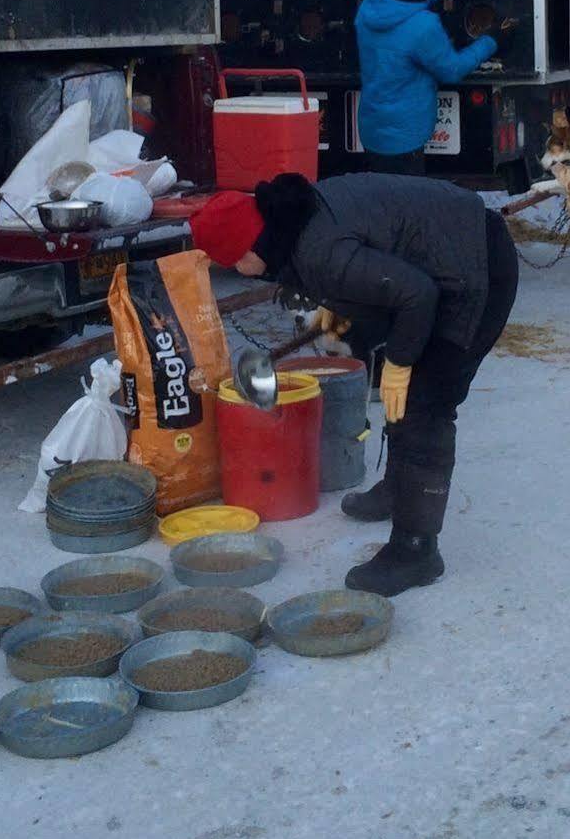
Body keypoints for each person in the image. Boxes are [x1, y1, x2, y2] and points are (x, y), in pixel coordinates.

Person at [190, 171, 518, 597]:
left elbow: (415, 294)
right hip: (445, 259)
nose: (237, 270)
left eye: (233, 260)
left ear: (251, 246)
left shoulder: (318, 250)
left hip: (475, 270)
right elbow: (381, 268)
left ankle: (416, 550)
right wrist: (346, 312)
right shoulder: (297, 217)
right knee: (404, 391)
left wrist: (399, 363)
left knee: (424, 405)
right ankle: (401, 489)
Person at [354, 0, 497, 175]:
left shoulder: (366, 12)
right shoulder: (422, 25)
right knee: (407, 206)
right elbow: (452, 70)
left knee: (380, 200)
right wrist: (490, 41)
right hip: (405, 137)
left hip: (371, 130)